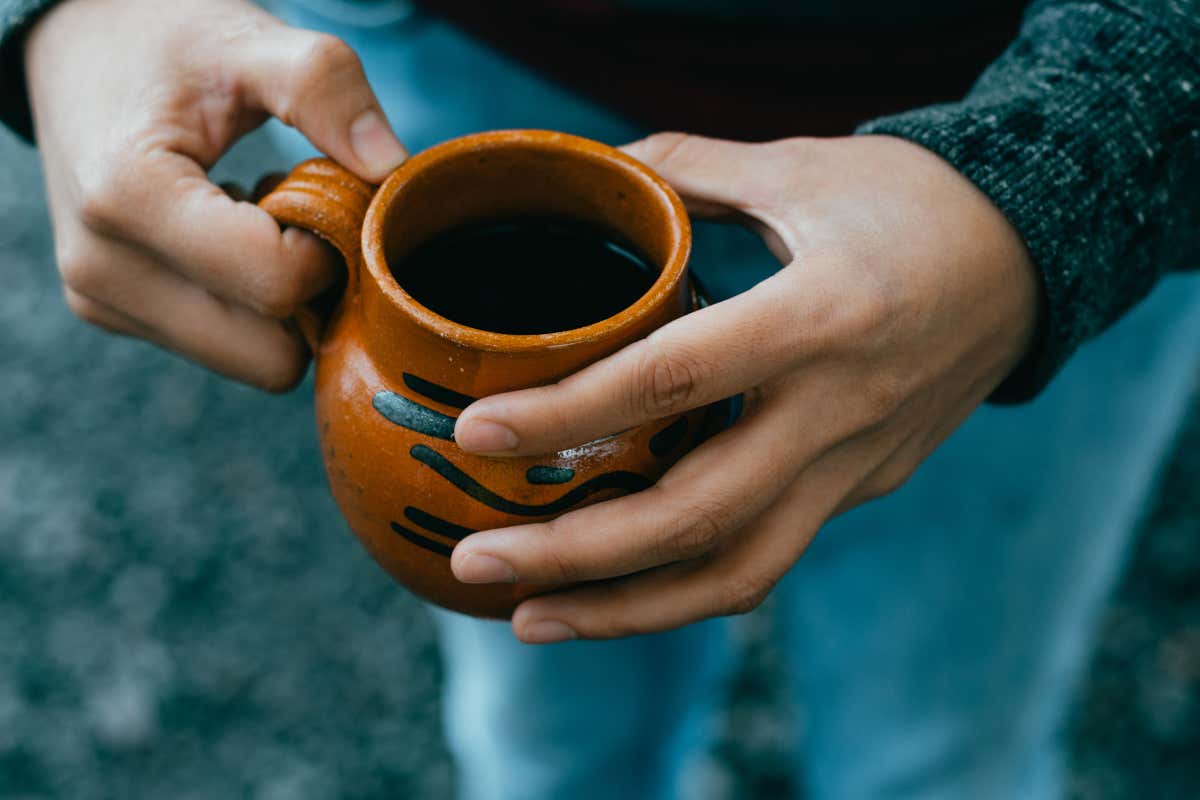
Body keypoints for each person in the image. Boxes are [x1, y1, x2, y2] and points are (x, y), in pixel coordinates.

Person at [4, 0, 1198, 796]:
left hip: (1011, 139)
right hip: (455, 52)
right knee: (545, 726)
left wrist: (1072, 172)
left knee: (934, 748)